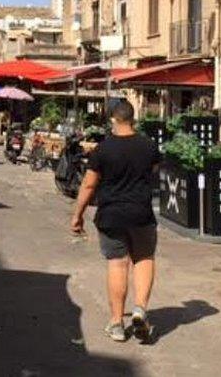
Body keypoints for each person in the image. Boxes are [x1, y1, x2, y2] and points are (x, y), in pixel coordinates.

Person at [70, 100, 160, 343]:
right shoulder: (149, 146)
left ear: (112, 119)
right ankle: (140, 309)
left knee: (118, 264)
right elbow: (152, 173)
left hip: (111, 215)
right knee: (144, 259)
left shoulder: (103, 150)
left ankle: (117, 322)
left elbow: (89, 184)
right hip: (141, 214)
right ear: (133, 118)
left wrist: (77, 215)